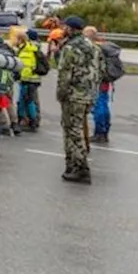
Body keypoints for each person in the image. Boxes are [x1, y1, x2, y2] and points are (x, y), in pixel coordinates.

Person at [56, 16, 98, 183]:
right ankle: (74, 165)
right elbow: (98, 70)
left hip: (73, 95)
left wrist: (61, 94)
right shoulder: (92, 46)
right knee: (78, 129)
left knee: (72, 131)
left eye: (65, 27)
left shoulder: (71, 48)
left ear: (70, 29)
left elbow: (64, 74)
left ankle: (79, 167)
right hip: (88, 94)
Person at [85, 27, 119, 144]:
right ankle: (104, 132)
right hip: (105, 81)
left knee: (98, 107)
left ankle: (99, 133)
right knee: (104, 106)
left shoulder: (95, 49)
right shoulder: (105, 46)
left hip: (97, 81)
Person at [14, 29, 44, 132]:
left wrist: (19, 77)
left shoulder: (26, 51)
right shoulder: (32, 48)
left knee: (25, 101)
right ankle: (31, 120)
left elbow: (25, 67)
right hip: (33, 79)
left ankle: (30, 121)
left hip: (27, 80)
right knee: (30, 101)